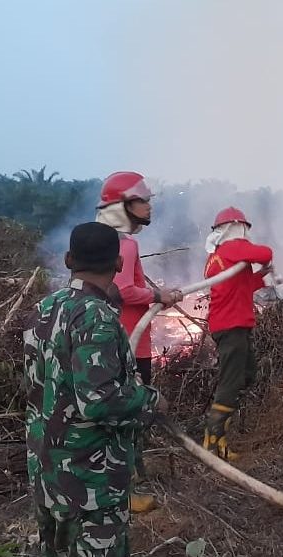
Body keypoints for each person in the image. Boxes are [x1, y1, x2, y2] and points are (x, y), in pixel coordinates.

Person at [23, 222, 168, 557]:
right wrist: (152, 402)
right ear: (119, 263)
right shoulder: (100, 318)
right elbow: (99, 400)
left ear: (69, 261)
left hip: (46, 466)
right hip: (91, 476)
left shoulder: (44, 310)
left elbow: (41, 388)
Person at [94, 171, 180, 512]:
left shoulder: (102, 240)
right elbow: (124, 289)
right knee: (131, 409)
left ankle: (131, 475)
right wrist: (159, 294)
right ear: (123, 205)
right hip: (130, 341)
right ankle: (127, 487)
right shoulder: (126, 244)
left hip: (112, 338)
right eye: (143, 201)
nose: (149, 206)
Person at [202, 206, 274, 461]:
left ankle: (219, 435)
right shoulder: (231, 249)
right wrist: (266, 262)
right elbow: (265, 252)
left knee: (245, 376)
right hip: (231, 326)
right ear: (235, 228)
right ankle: (213, 443)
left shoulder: (224, 257)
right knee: (231, 383)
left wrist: (264, 278)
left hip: (234, 325)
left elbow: (242, 287)